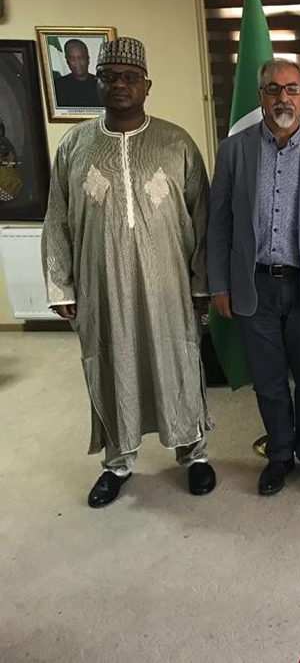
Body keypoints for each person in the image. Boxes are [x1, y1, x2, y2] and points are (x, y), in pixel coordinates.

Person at [41, 36, 216, 507]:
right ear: (97, 83)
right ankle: (117, 463)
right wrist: (60, 285)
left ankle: (194, 453)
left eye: (130, 77)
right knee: (111, 364)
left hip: (169, 285)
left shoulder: (177, 142)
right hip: (102, 286)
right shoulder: (74, 145)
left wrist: (202, 282)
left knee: (178, 363)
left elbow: (203, 217)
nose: (119, 84)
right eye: (110, 77)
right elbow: (56, 219)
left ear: (147, 86)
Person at [208, 58, 300, 496]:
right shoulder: (233, 151)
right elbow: (218, 223)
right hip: (255, 285)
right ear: (261, 97)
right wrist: (220, 284)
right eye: (273, 89)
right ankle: (278, 455)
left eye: (292, 89)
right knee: (269, 381)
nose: (283, 98)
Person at [54, 39, 100, 108]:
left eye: (80, 57)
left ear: (88, 59)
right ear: (67, 61)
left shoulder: (101, 85)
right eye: (72, 58)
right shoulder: (57, 86)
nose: (77, 62)